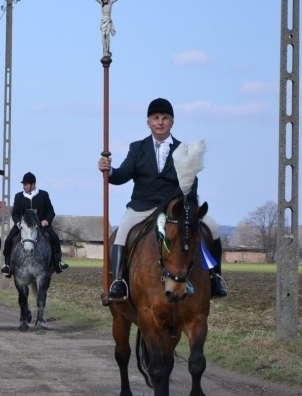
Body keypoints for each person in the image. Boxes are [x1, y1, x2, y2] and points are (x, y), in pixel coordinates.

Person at [98, 97, 228, 301]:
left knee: (212, 226)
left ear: (172, 122)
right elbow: (123, 175)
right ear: (148, 122)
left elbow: (192, 184)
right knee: (122, 230)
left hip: (172, 209)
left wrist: (182, 201)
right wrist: (109, 171)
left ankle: (215, 278)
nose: (160, 122)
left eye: (165, 118)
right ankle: (119, 282)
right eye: (156, 118)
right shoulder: (137, 148)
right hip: (142, 207)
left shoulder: (183, 150)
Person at [1, 172, 67, 276]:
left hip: (41, 226)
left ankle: (58, 262)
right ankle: (7, 265)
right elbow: (15, 213)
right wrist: (18, 223)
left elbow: (51, 212)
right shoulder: (19, 196)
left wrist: (47, 220)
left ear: (33, 184)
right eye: (23, 184)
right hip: (22, 227)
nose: (24, 186)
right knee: (9, 240)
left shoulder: (43, 195)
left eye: (26, 184)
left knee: (54, 238)